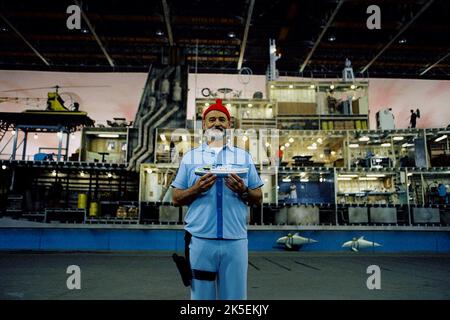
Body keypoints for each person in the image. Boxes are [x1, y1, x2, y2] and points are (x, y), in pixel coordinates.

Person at [171, 98, 263, 300]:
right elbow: (176, 198)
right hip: (200, 241)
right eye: (211, 119)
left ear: (229, 125)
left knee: (236, 299)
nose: (217, 123)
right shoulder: (190, 158)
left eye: (222, 119)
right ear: (204, 124)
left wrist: (244, 190)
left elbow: (259, 197)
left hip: (235, 241)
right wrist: (195, 189)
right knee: (201, 299)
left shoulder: (244, 158)